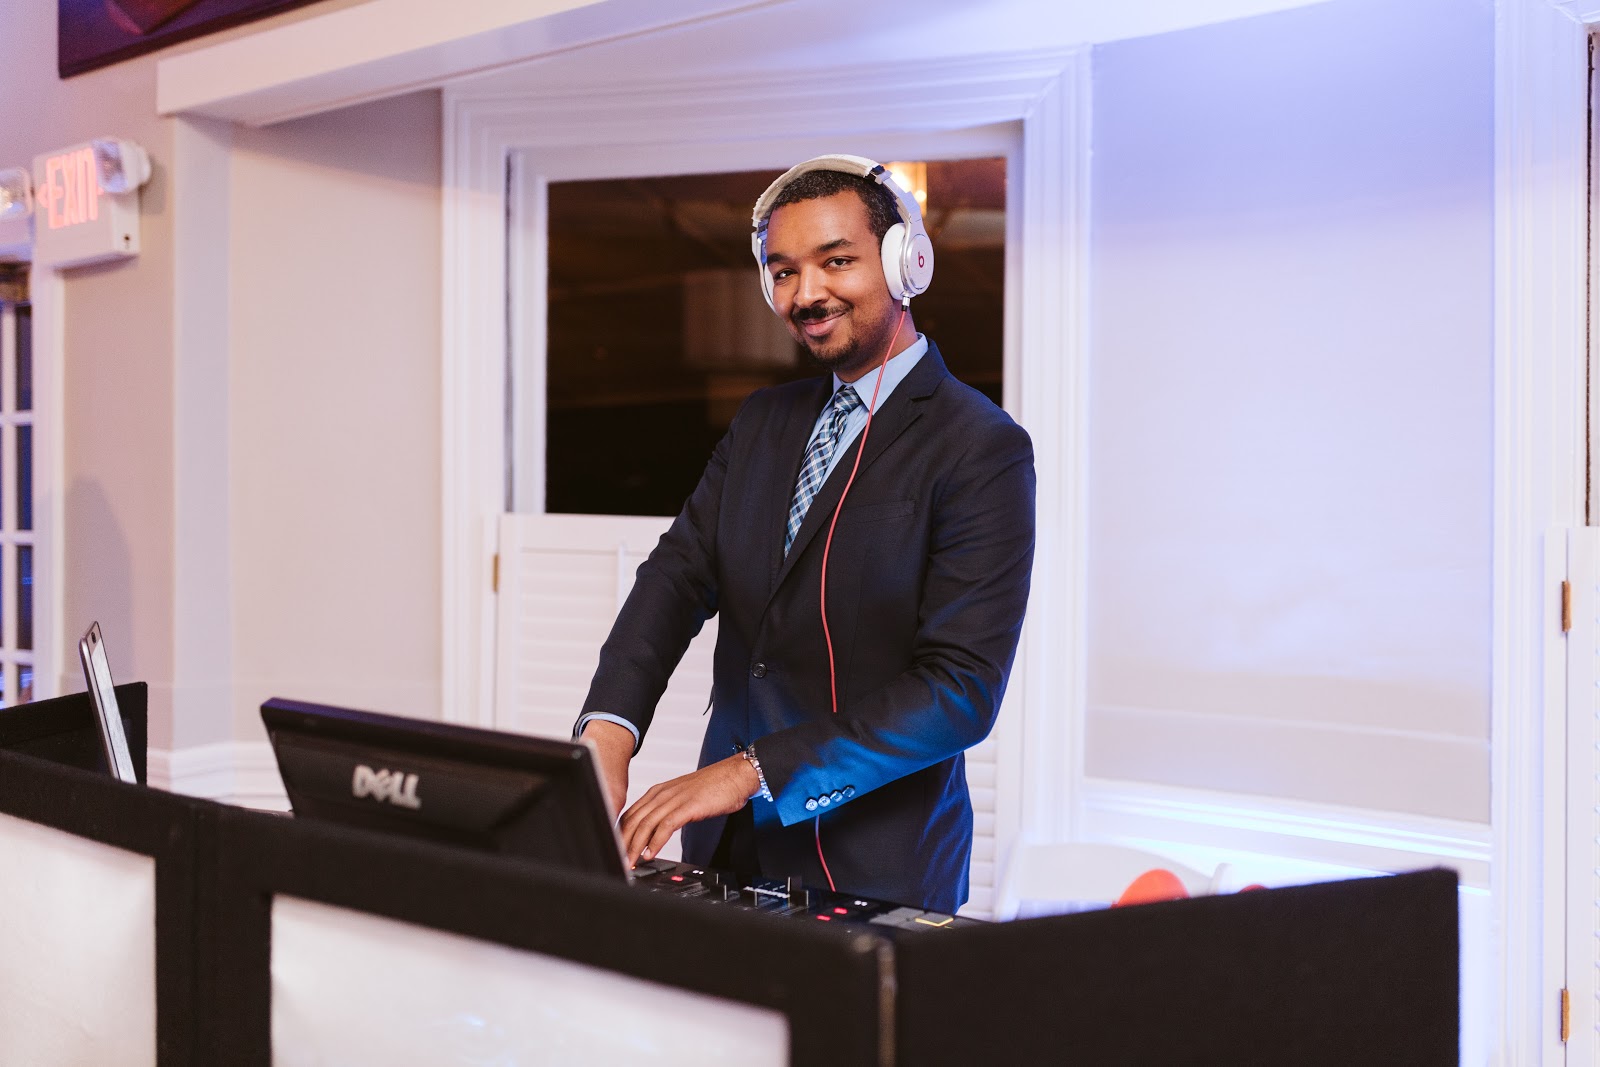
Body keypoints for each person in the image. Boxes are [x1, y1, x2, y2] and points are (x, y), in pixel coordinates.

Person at [574, 155, 1035, 912]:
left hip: (876, 867)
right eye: (783, 271)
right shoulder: (762, 420)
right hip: (725, 846)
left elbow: (959, 690)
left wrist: (752, 771)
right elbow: (677, 575)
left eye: (836, 261)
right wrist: (609, 730)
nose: (807, 293)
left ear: (905, 263)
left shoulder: (981, 447)